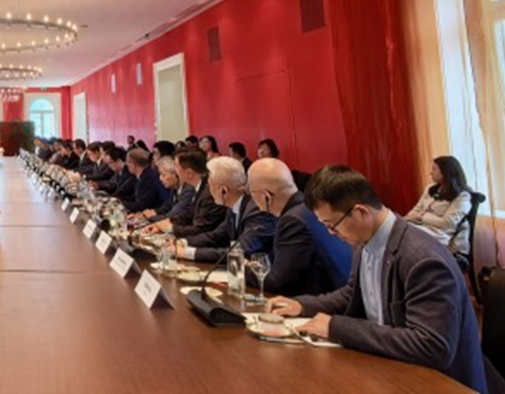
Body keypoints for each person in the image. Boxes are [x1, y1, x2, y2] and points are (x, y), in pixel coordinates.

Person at [268, 166, 486, 393]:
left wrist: (336, 327)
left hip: (434, 383)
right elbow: (352, 293)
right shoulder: (364, 240)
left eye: (331, 225)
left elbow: (432, 346)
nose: (332, 233)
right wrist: (302, 305)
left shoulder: (422, 260)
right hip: (387, 367)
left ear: (361, 212)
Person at [245, 158, 352, 295]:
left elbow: (278, 283)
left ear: (267, 197)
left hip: (322, 304)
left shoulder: (292, 221)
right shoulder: (307, 207)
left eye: (252, 193)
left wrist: (244, 268)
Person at [176, 156, 275, 263]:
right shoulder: (235, 205)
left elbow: (241, 252)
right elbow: (218, 236)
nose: (208, 191)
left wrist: (187, 252)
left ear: (223, 191)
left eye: (210, 186)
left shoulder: (257, 210)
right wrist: (183, 242)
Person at [147, 148, 226, 236]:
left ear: (189, 173)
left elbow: (201, 229)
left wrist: (170, 228)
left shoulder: (210, 192)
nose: (175, 172)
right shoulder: (197, 187)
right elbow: (188, 215)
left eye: (176, 166)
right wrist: (165, 223)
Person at [405, 156, 473, 255]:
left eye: (434, 169)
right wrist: (409, 217)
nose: (431, 173)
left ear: (446, 172)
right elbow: (416, 209)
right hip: (421, 228)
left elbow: (447, 222)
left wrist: (421, 217)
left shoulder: (462, 196)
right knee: (395, 231)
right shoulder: (430, 189)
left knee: (402, 237)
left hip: (440, 235)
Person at [127, 148, 171, 214]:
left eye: (127, 162)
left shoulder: (149, 178)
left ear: (133, 164)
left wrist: (119, 203)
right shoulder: (142, 175)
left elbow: (142, 206)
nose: (126, 164)